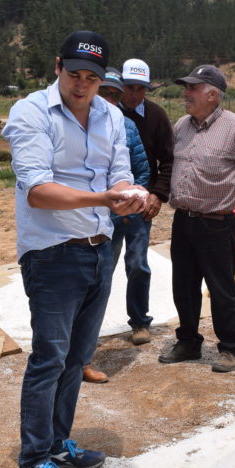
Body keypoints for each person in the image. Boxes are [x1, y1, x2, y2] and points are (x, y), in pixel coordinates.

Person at [3, 30, 150, 468]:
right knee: (49, 357)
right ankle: (33, 462)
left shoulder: (111, 115)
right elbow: (37, 190)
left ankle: (57, 444)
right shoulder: (31, 112)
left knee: (75, 357)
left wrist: (128, 193)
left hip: (99, 247)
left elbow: (119, 171)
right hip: (52, 252)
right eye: (74, 74)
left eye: (92, 77)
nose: (82, 84)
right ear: (57, 67)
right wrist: (103, 198)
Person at [159, 64, 235, 373]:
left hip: (217, 223)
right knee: (183, 286)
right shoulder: (182, 125)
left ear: (212, 95)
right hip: (184, 220)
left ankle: (230, 348)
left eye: (192, 88)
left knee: (221, 288)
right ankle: (188, 342)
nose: (186, 93)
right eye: (186, 87)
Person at [81, 69, 151, 385]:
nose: (109, 99)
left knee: (137, 265)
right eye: (104, 93)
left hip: (130, 214)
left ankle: (139, 322)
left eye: (114, 95)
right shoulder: (81, 126)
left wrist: (131, 201)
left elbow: (142, 171)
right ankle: (84, 349)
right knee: (99, 280)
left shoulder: (127, 127)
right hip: (98, 219)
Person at [117, 57, 175, 346]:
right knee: (99, 266)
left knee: (138, 263)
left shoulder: (156, 116)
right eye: (129, 87)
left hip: (141, 205)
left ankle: (139, 321)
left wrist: (158, 195)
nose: (134, 94)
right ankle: (87, 323)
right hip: (106, 203)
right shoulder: (106, 112)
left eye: (140, 88)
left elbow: (168, 161)